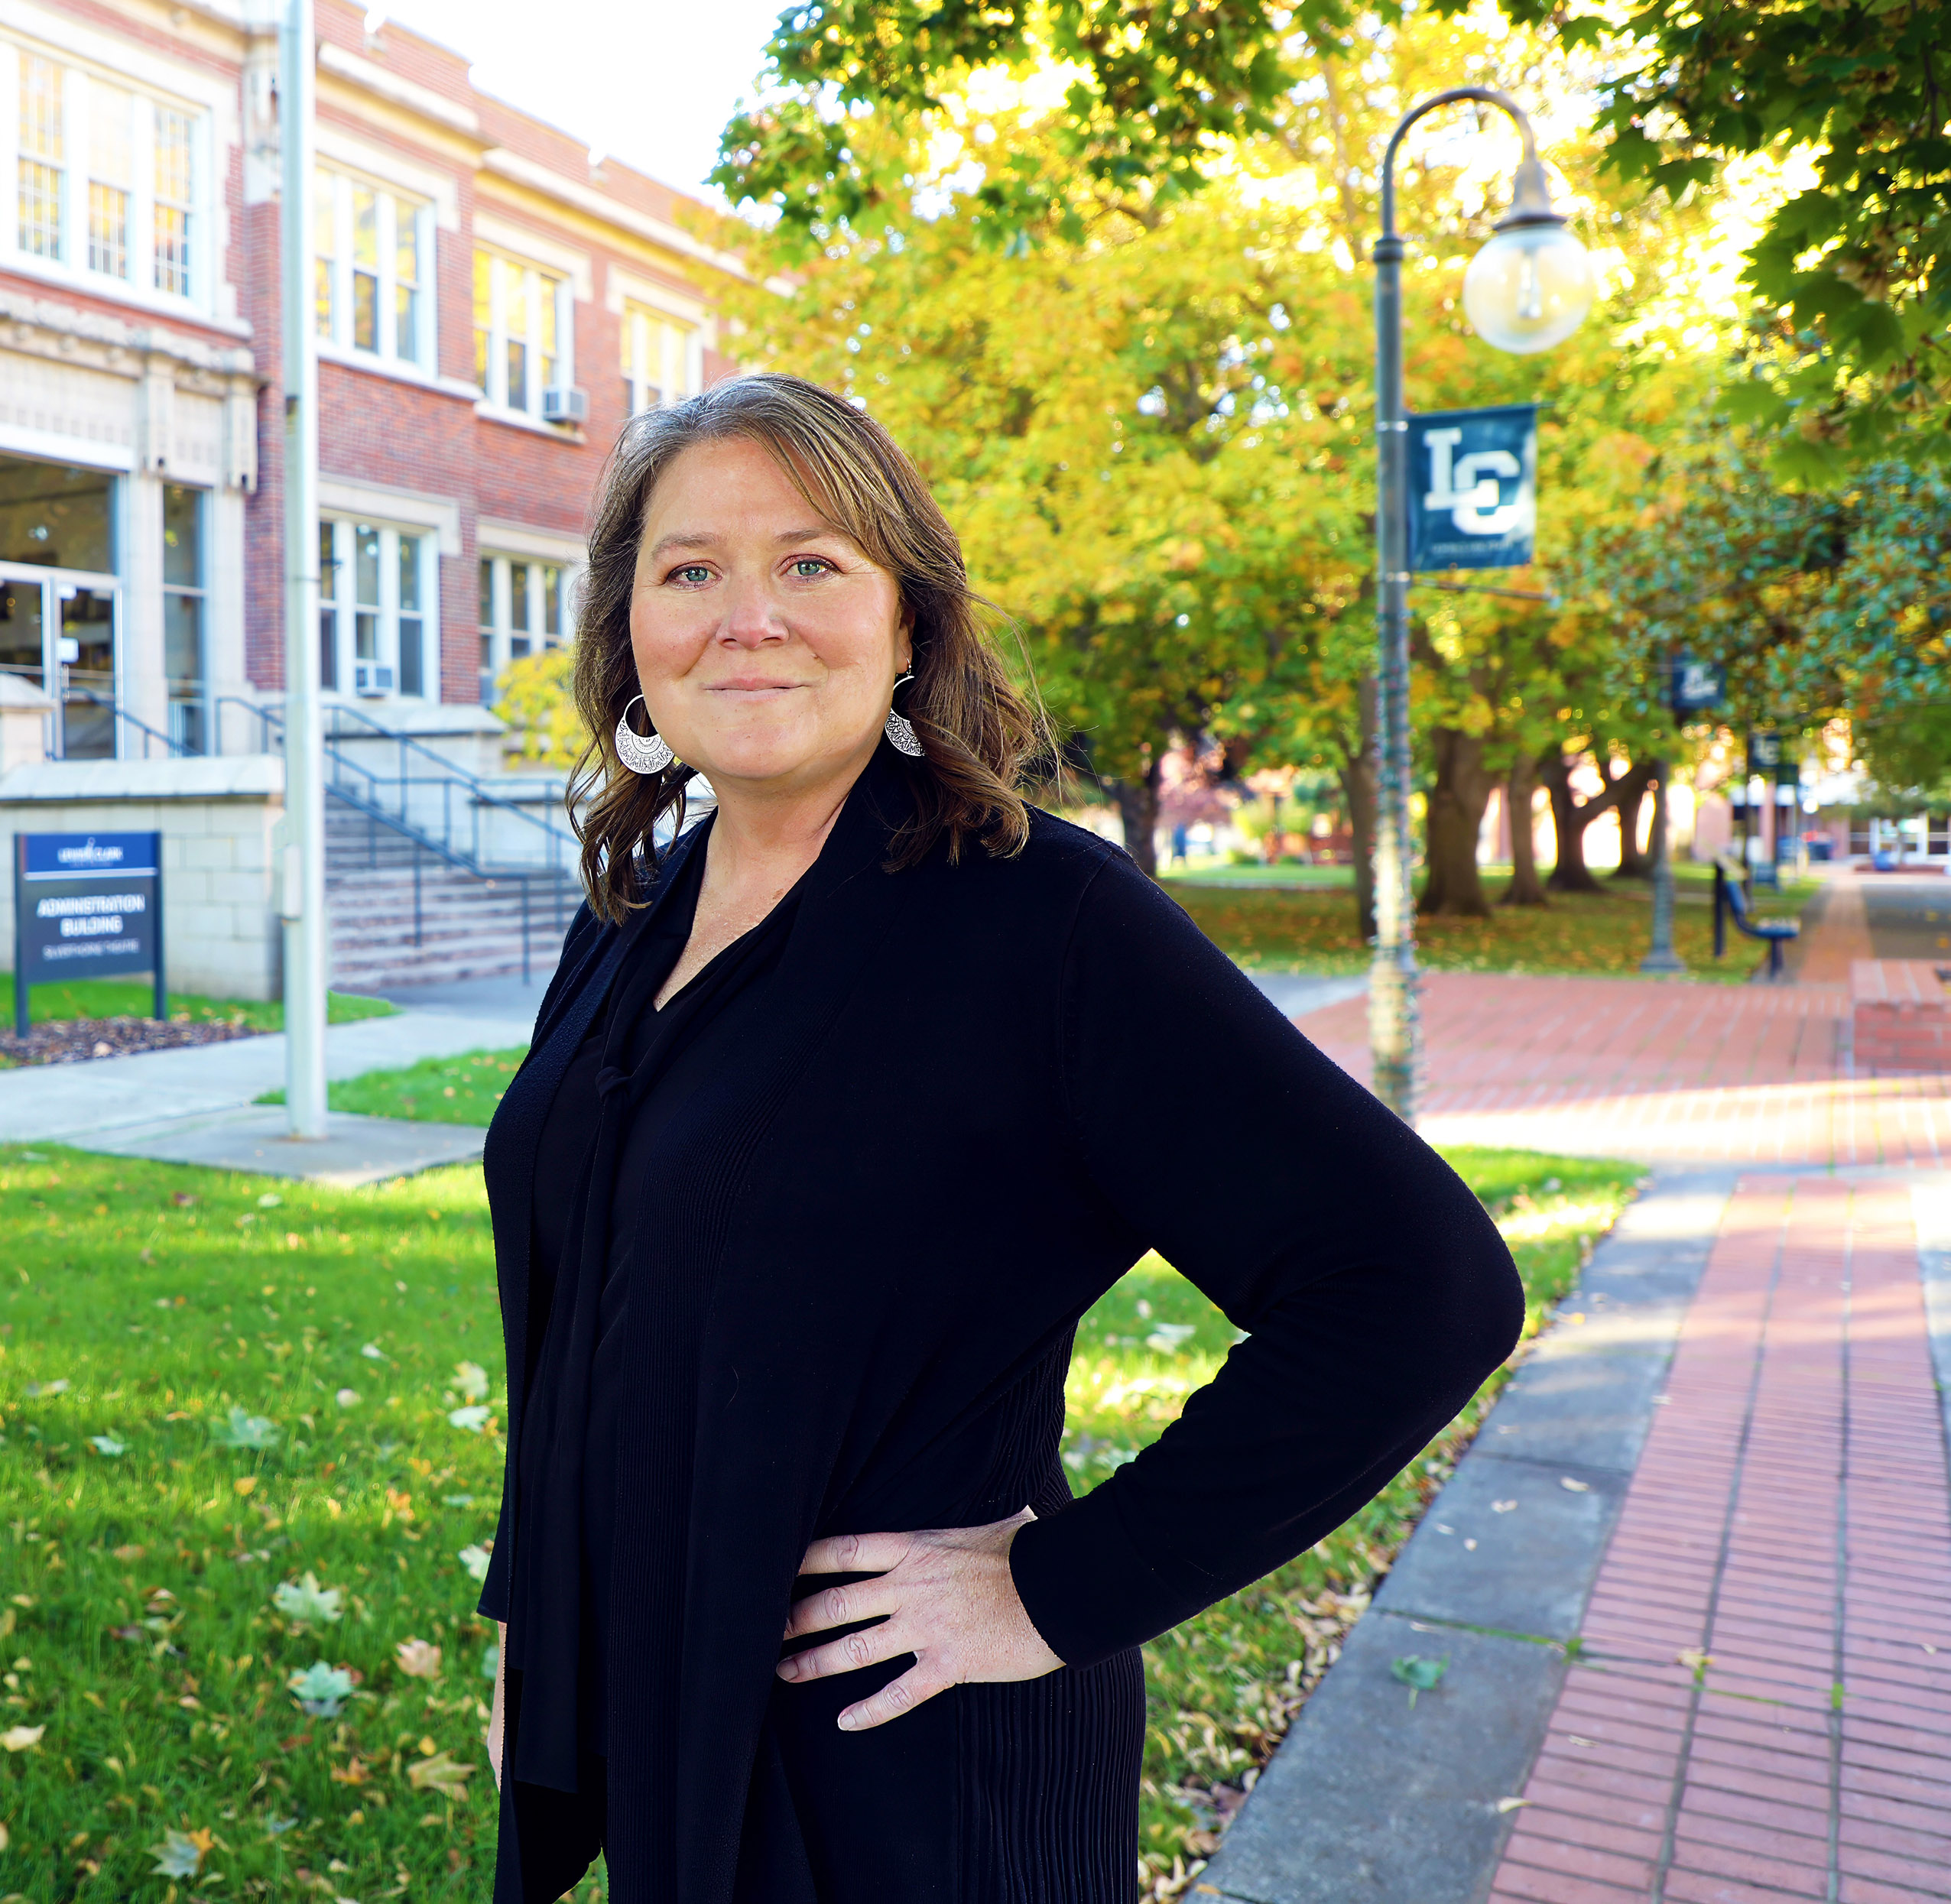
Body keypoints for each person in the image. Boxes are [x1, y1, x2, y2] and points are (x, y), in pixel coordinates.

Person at [473, 374, 1521, 1901]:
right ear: (627, 632)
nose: (743, 615)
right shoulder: (630, 914)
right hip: (663, 1699)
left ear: (905, 623)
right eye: (688, 568)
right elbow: (575, 1315)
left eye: (810, 563)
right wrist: (536, 1625)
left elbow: (1416, 1286)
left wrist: (1055, 1589)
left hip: (906, 1763)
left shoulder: (1040, 920)